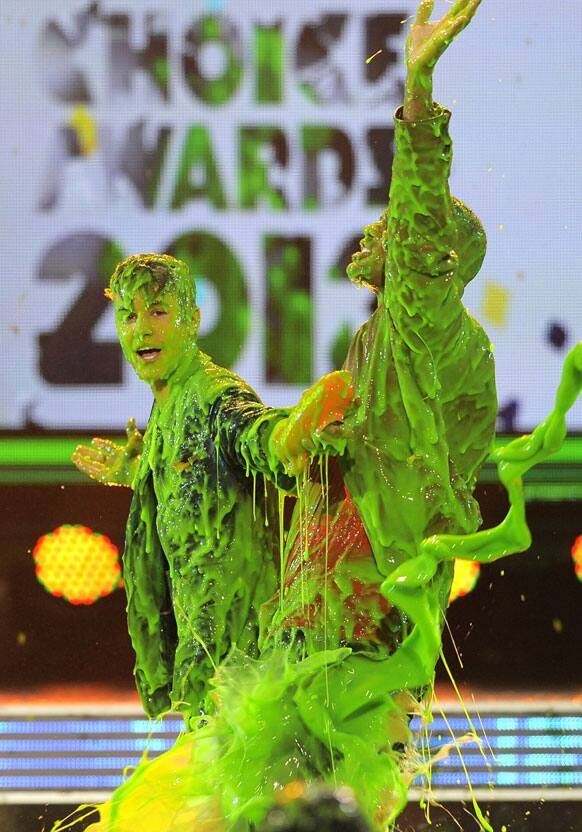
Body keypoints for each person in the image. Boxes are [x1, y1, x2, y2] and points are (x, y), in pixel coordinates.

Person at [68, 1, 525, 829]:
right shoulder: (380, 347)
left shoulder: (425, 336)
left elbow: (264, 434)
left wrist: (418, 95)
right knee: (202, 811)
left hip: (362, 644)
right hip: (303, 644)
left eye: (394, 227)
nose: (375, 230)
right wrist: (139, 467)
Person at [72, 253, 354, 722]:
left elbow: (258, 434)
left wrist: (296, 433)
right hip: (202, 651)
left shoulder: (215, 396)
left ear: (192, 320)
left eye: (158, 311)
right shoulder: (170, 401)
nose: (141, 329)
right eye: (128, 314)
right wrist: (140, 470)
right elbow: (199, 474)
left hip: (239, 659)